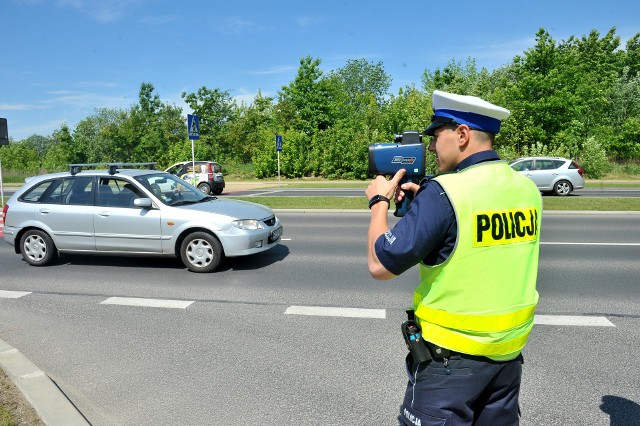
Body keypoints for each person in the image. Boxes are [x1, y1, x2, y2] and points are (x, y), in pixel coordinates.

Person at [366, 90, 542, 425]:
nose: (431, 146)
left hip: (450, 363)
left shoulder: (445, 194)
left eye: (436, 135)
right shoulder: (526, 189)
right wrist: (428, 203)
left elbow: (380, 264)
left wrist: (378, 203)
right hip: (507, 357)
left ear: (461, 134)